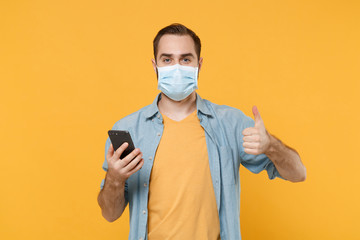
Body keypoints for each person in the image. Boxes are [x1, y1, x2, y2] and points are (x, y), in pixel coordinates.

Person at [97, 23, 306, 240]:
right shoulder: (128, 130)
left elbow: (299, 174)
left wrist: (271, 145)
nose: (176, 67)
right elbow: (110, 214)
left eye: (185, 59)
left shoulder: (230, 123)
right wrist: (114, 177)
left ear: (199, 65)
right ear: (155, 66)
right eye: (167, 59)